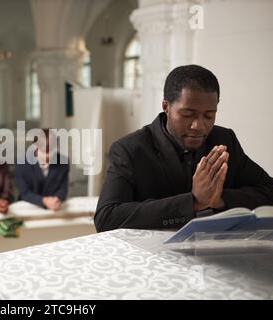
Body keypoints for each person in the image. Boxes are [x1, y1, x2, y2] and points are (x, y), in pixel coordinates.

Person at [95, 64, 273, 232]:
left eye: (209, 116)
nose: (199, 126)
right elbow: (106, 218)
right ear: (166, 107)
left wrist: (219, 199)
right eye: (188, 115)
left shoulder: (224, 140)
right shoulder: (130, 149)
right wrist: (193, 202)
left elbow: (268, 190)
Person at [15, 129, 69, 210]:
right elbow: (24, 193)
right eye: (44, 151)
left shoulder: (63, 162)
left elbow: (63, 189)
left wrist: (57, 199)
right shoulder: (21, 163)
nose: (48, 155)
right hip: (29, 207)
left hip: (54, 207)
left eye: (51, 150)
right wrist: (44, 201)